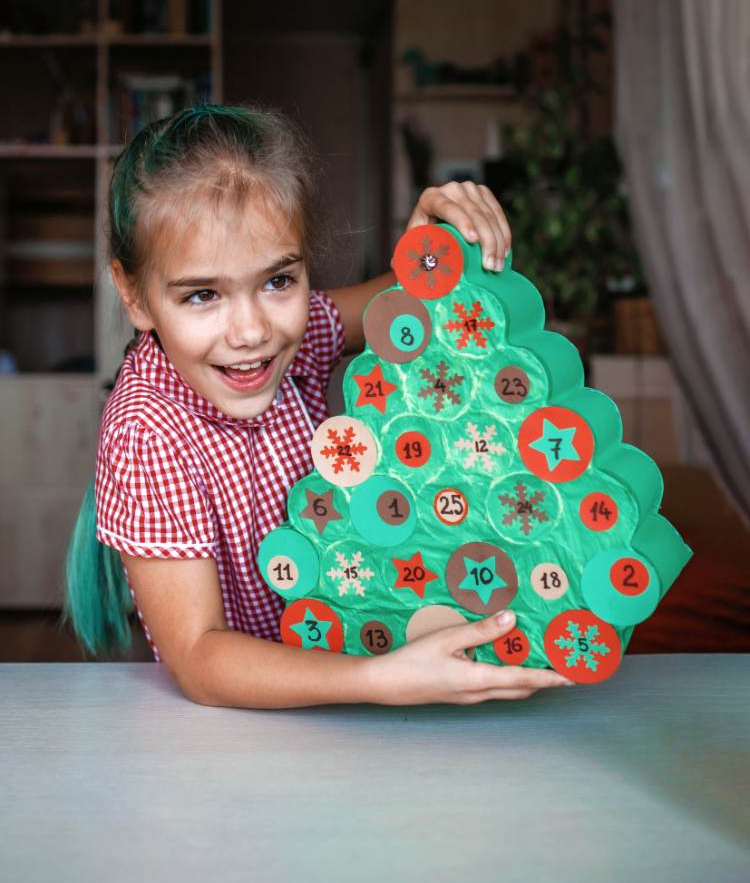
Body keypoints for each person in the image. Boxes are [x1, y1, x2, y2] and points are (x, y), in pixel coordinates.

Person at [65, 104, 572, 709]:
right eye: (203, 295)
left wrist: (427, 244)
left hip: (349, 700)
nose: (251, 330)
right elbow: (199, 657)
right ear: (135, 298)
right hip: (245, 735)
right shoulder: (147, 430)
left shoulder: (290, 340)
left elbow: (396, 301)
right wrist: (379, 681)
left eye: (278, 280)